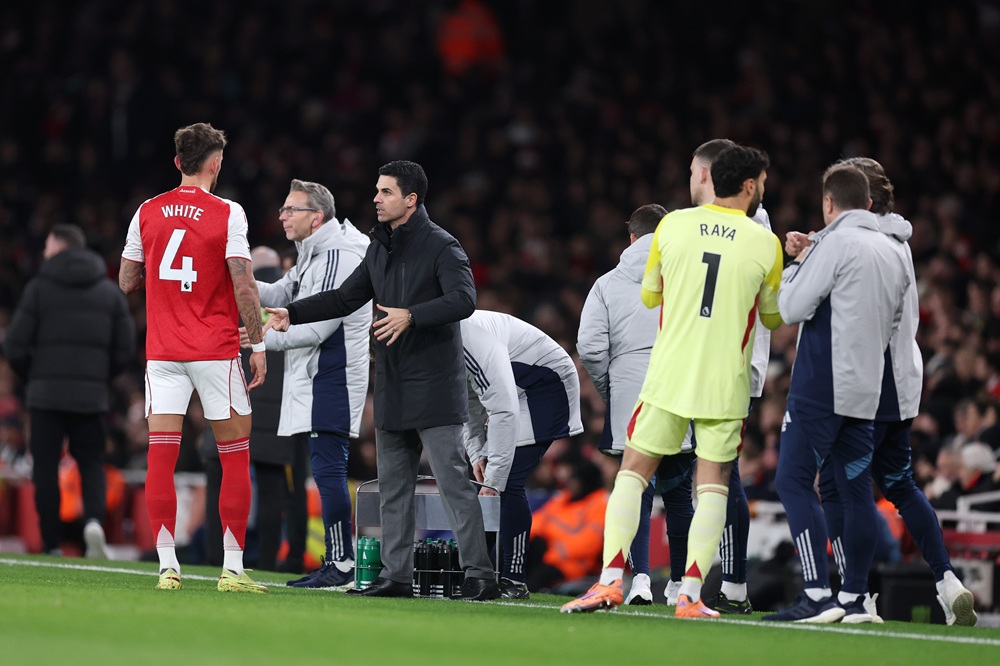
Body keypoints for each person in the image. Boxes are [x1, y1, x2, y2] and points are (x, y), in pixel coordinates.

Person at [562, 145, 783, 618]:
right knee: (712, 488)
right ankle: (690, 595)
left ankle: (607, 583)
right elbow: (772, 316)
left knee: (633, 474)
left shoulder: (671, 226)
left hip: (668, 375)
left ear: (708, 177)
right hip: (723, 384)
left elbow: (649, 295)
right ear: (748, 186)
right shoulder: (766, 243)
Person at [266, 160, 499, 600]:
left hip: (434, 382)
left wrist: (412, 316)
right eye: (376, 190)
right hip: (392, 382)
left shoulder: (442, 246)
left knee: (452, 482)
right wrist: (292, 312)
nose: (376, 198)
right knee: (393, 488)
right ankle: (396, 576)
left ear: (411, 200)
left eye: (386, 192)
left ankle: (480, 575)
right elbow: (344, 298)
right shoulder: (378, 248)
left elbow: (464, 300)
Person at [807, 157, 977, 626]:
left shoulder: (864, 245)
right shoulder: (896, 242)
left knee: (844, 489)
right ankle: (947, 581)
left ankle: (855, 596)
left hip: (870, 386)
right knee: (900, 484)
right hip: (903, 384)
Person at [119, 122, 268, 593]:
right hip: (214, 350)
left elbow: (127, 280)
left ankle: (167, 567)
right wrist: (258, 345)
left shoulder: (146, 210)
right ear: (215, 164)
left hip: (162, 351)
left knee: (161, 457)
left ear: (178, 162)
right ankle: (232, 569)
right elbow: (244, 283)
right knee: (235, 456)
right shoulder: (228, 212)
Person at [764, 164, 909, 623]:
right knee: (855, 493)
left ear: (829, 203)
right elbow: (891, 323)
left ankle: (815, 592)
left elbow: (790, 307)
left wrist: (800, 262)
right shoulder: (892, 250)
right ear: (867, 203)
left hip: (821, 385)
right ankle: (854, 598)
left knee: (791, 480)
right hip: (866, 389)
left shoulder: (836, 242)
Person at [248, 179, 371, 587]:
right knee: (323, 471)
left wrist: (257, 335)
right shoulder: (313, 252)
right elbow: (279, 293)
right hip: (319, 376)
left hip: (331, 376)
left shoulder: (338, 255)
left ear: (315, 217)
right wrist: (240, 282)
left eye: (290, 210)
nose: (282, 216)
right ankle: (340, 562)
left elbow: (316, 326)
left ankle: (342, 564)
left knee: (329, 471)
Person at [577, 203, 695, 607]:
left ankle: (640, 579)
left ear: (631, 237)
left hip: (630, 392)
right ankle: (680, 586)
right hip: (677, 386)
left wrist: (612, 387)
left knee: (634, 488)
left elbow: (590, 347)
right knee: (680, 494)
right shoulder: (687, 276)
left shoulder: (607, 283)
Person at [4, 224, 135, 558]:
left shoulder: (38, 289)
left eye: (48, 246)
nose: (44, 252)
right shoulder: (108, 292)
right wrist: (99, 378)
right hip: (90, 398)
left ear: (59, 248)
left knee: (45, 467)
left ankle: (51, 543)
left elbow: (14, 345)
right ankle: (93, 521)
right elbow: (126, 348)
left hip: (45, 395)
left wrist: (32, 378)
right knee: (91, 464)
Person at [688, 138, 773, 613]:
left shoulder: (746, 224)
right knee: (714, 473)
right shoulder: (730, 225)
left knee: (721, 473)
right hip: (714, 363)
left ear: (705, 174)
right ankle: (721, 582)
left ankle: (735, 586)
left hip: (728, 364)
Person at [460, 309, 584, 599]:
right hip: (514, 387)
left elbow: (502, 410)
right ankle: (482, 574)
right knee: (488, 480)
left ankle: (513, 578)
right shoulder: (443, 339)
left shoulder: (469, 341)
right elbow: (468, 398)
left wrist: (494, 479)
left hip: (545, 385)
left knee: (507, 480)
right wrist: (477, 453)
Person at [200, 246, 291, 572]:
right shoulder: (287, 301)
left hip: (227, 398)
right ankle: (268, 561)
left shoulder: (231, 293)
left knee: (219, 481)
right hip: (276, 411)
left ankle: (215, 557)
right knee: (271, 490)